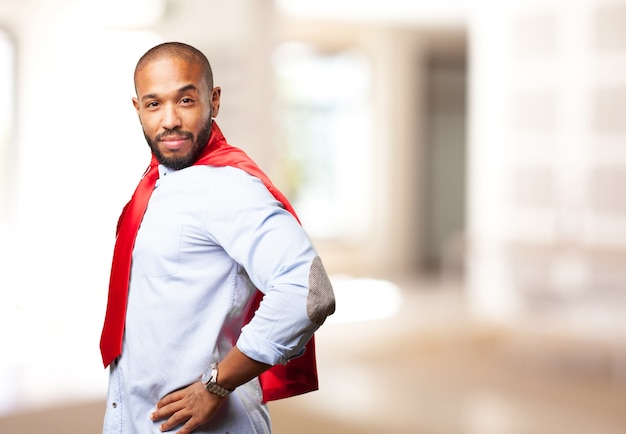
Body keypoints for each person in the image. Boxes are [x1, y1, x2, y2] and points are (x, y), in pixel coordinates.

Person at [99, 41, 336, 434]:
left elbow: (308, 290)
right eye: (154, 104)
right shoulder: (156, 187)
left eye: (186, 100)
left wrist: (217, 384)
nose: (170, 120)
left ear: (214, 100)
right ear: (138, 108)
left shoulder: (226, 188)